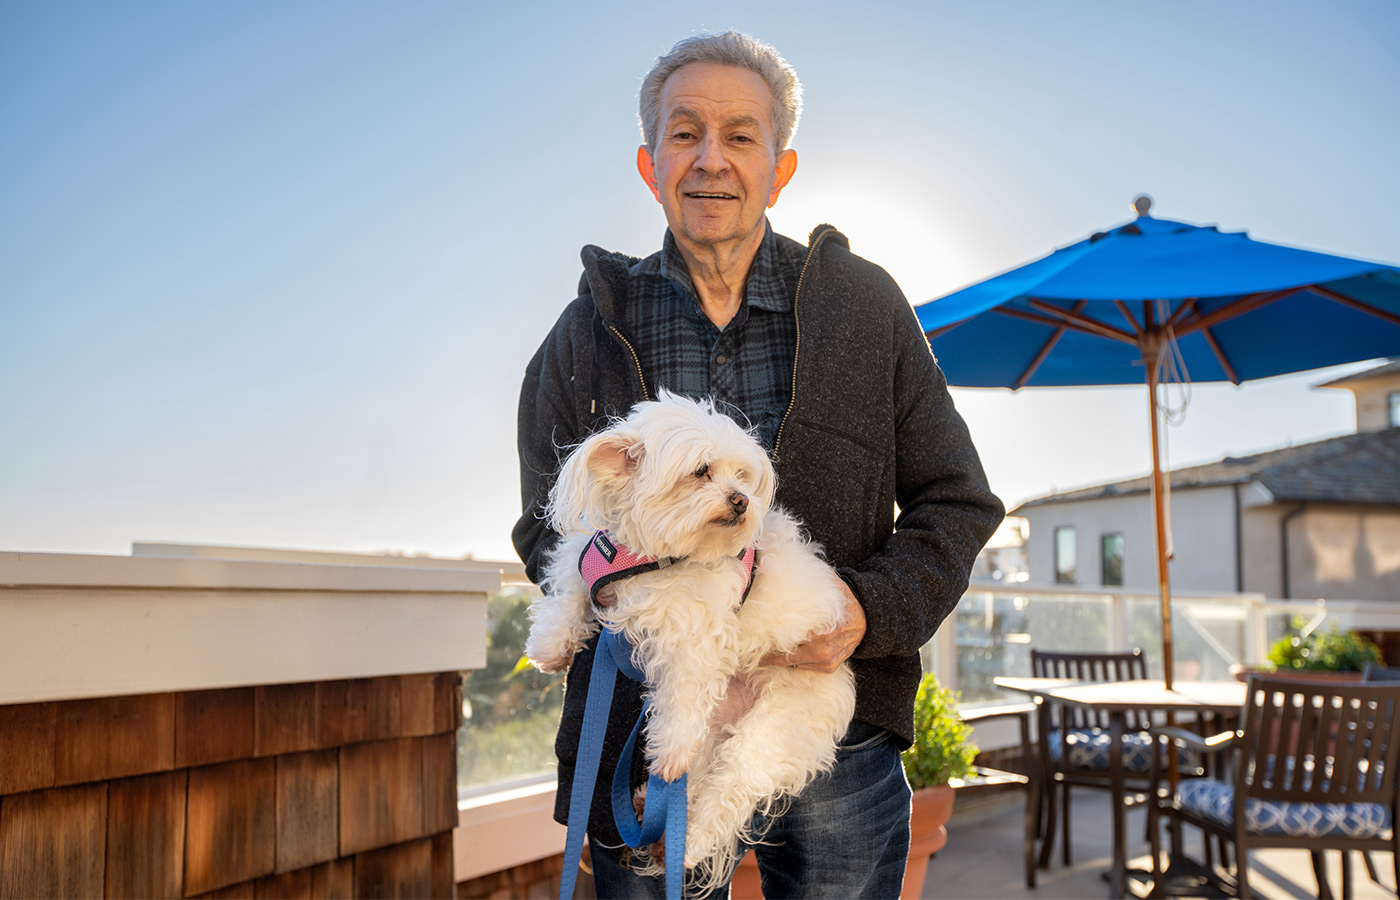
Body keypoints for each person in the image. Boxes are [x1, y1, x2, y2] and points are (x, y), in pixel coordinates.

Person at [513, 31, 1004, 899]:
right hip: (642, 731)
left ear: (780, 168)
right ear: (648, 160)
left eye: (741, 136)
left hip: (830, 728)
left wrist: (869, 609)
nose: (711, 160)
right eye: (685, 132)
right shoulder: (585, 329)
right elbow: (545, 522)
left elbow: (958, 500)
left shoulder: (866, 306)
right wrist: (637, 615)